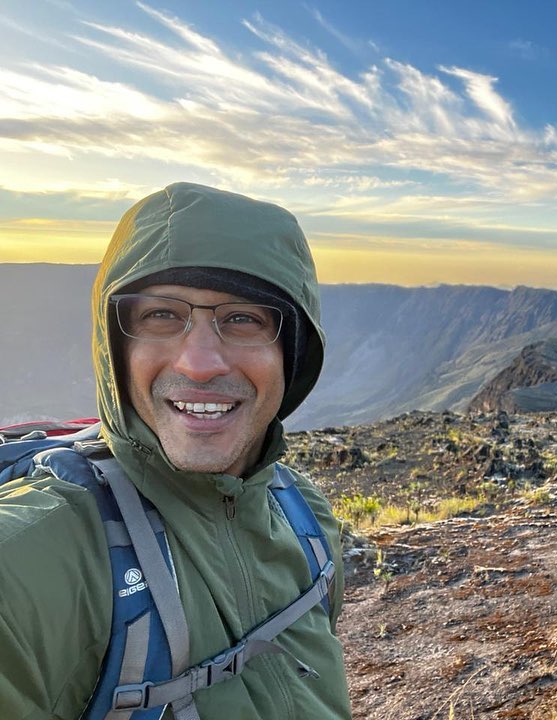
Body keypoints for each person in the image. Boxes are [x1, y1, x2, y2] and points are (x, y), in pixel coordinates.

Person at [0, 183, 352, 719]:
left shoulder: (307, 519)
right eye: (161, 316)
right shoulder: (31, 564)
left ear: (292, 352)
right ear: (115, 348)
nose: (200, 362)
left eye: (243, 319)